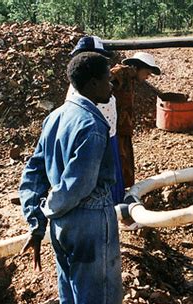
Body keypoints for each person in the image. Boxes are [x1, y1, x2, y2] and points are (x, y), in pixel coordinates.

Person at [19, 52, 122, 304]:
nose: (111, 86)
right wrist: (48, 209)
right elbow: (78, 185)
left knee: (70, 297)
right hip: (89, 223)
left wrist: (37, 221)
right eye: (107, 80)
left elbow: (34, 172)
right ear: (90, 84)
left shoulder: (55, 117)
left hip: (60, 227)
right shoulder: (93, 125)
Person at [66, 36, 125, 205]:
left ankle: (114, 211)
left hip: (108, 136)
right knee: (102, 181)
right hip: (99, 139)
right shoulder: (88, 88)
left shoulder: (95, 83)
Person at [111, 52, 161, 188]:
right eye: (147, 72)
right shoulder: (121, 73)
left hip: (123, 129)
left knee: (125, 165)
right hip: (113, 130)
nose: (147, 77)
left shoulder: (131, 80)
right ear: (139, 67)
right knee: (117, 165)